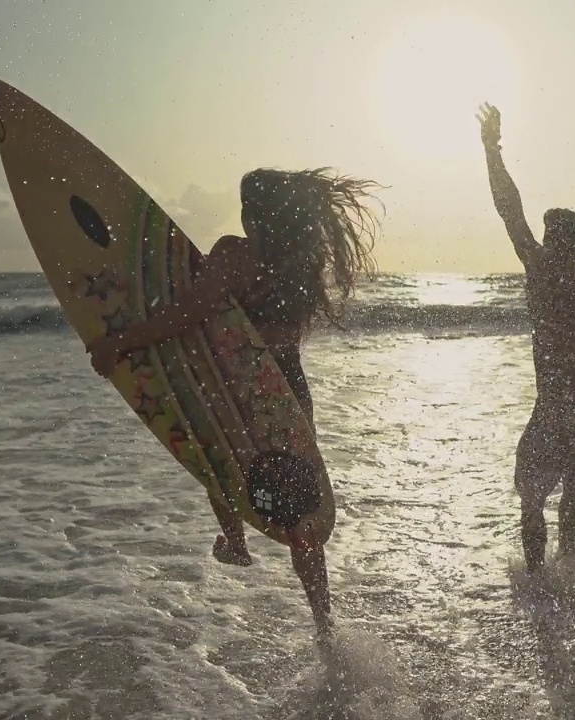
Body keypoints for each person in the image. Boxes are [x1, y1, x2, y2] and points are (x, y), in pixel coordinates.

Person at [86, 167, 382, 635]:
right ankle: (324, 620)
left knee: (218, 457)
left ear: (257, 213)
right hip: (290, 391)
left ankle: (235, 538)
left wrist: (121, 342)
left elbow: (187, 314)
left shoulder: (235, 255)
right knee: (298, 503)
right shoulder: (302, 269)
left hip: (240, 391)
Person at [477, 103, 575, 574]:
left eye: (550, 237)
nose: (545, 243)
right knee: (571, 488)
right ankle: (564, 564)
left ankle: (537, 581)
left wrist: (491, 149)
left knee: (530, 499)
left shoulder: (542, 277)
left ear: (555, 242)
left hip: (553, 410)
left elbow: (509, 210)